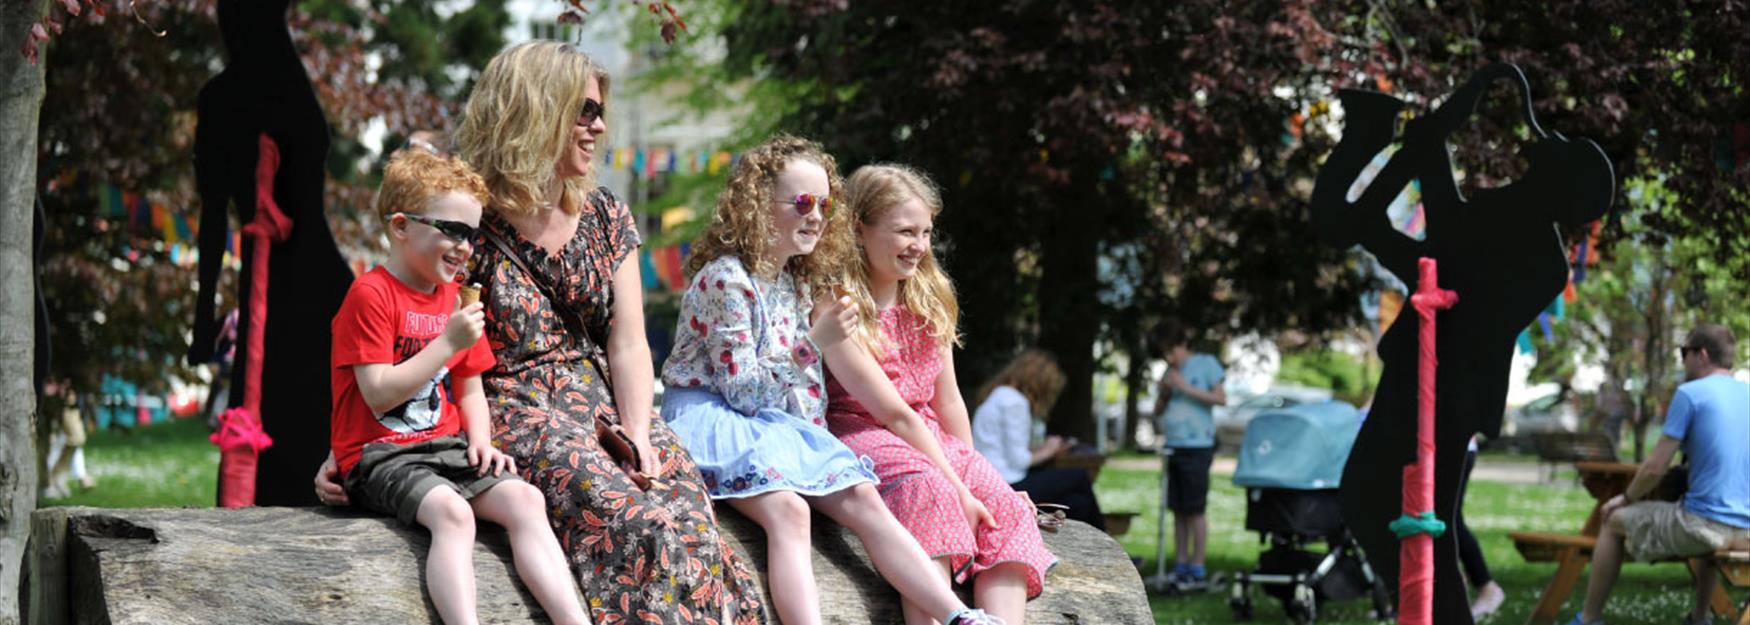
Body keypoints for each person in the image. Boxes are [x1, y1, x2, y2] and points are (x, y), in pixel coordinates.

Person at [318, 41, 765, 624]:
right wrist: (348, 449)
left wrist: (638, 435)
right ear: (535, 108)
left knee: (689, 519)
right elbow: (404, 320)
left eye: (600, 112)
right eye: (584, 111)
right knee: (631, 523)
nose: (599, 126)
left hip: (608, 403)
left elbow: (628, 341)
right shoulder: (468, 217)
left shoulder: (607, 215)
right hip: (513, 406)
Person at [661, 136, 1006, 625]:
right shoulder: (726, 279)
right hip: (714, 416)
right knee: (790, 512)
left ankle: (958, 616)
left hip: (774, 424)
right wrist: (811, 344)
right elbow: (742, 394)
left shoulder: (793, 280)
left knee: (864, 496)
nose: (818, 215)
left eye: (825, 203)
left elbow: (801, 393)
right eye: (803, 202)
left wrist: (817, 444)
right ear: (758, 204)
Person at [326, 149, 589, 625]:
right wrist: (447, 342)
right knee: (454, 514)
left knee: (527, 500)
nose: (465, 246)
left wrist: (482, 442)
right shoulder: (370, 295)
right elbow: (379, 393)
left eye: (472, 233)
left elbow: (469, 387)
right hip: (378, 453)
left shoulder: (455, 297)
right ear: (401, 226)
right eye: (452, 230)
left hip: (444, 445)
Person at [822, 164, 1056, 625]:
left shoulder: (928, 297)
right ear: (858, 229)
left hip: (926, 434)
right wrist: (956, 487)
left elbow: (947, 401)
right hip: (866, 435)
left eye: (926, 232)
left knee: (1005, 506)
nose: (920, 245)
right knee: (931, 491)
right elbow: (892, 413)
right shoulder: (837, 306)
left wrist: (975, 475)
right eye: (905, 231)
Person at [1567, 323, 1750, 625]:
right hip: (1746, 531)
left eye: (1683, 353)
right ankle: (1700, 618)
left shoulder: (1691, 394)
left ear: (1702, 355)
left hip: (1702, 527)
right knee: (1708, 523)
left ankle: (1588, 619)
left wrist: (1624, 498)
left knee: (1612, 521)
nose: (1682, 361)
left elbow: (1654, 467)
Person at [971, 349, 1106, 531]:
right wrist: (1049, 449)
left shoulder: (999, 396)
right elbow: (1019, 462)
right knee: (1079, 476)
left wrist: (1043, 448)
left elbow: (1009, 451)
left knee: (1078, 503)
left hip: (995, 483)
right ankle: (1106, 541)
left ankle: (1088, 550)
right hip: (1007, 485)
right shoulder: (1014, 402)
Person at [1150, 320, 1226, 588]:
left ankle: (1198, 565)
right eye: (1164, 354)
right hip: (1174, 445)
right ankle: (1180, 563)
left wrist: (1186, 387)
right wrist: (1165, 393)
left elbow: (1221, 398)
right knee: (1178, 509)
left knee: (1194, 508)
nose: (1169, 358)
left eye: (1172, 351)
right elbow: (1157, 411)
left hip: (1198, 446)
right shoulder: (1169, 372)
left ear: (1182, 343)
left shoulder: (1206, 364)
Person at [1455, 435, 1505, 619]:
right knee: (1444, 521)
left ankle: (1486, 587)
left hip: (1453, 447)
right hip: (1438, 445)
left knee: (1448, 521)